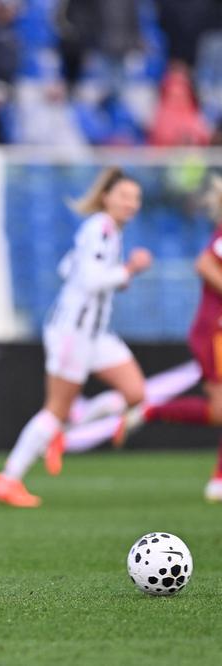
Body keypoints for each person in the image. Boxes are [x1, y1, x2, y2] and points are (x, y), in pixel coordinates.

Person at [0, 167, 153, 508]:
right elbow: (90, 279)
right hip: (72, 332)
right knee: (54, 409)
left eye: (135, 198)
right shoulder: (100, 229)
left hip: (95, 333)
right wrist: (128, 271)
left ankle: (68, 425)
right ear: (106, 197)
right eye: (124, 196)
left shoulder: (109, 231)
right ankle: (8, 478)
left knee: (136, 393)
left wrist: (116, 277)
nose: (131, 204)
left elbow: (69, 268)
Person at [114, 175, 222, 502]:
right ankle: (218, 480)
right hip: (215, 329)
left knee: (219, 410)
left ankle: (150, 412)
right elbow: (204, 263)